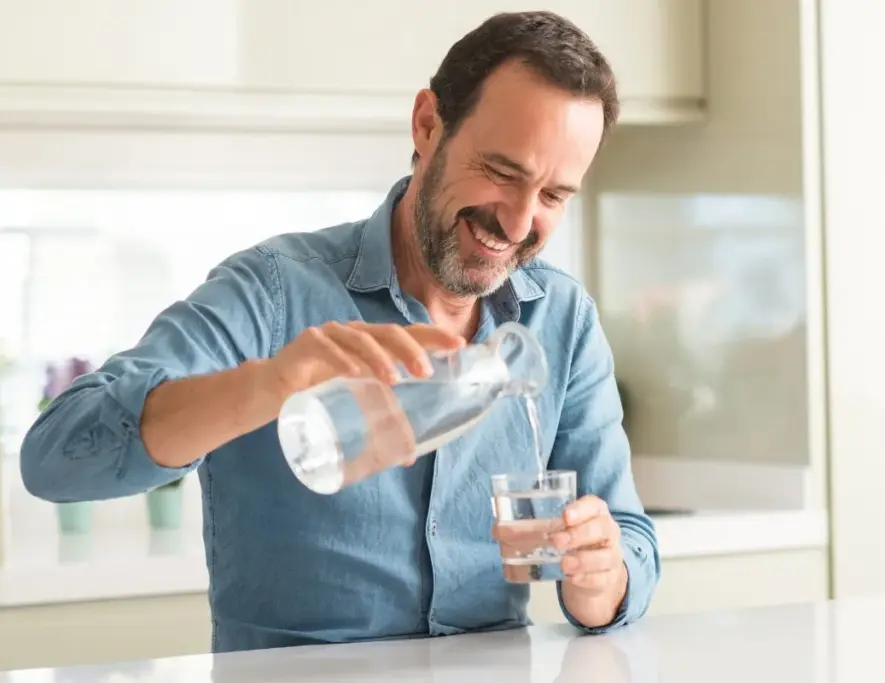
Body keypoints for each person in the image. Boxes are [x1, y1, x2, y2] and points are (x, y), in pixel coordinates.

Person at [19, 10, 660, 652]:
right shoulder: (274, 292)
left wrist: (601, 579)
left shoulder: (563, 318)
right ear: (428, 125)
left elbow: (628, 534)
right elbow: (56, 458)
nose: (520, 224)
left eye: (553, 197)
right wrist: (266, 386)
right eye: (503, 173)